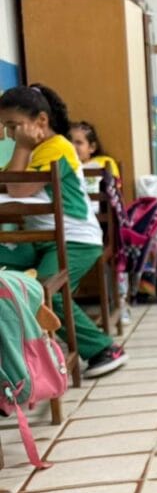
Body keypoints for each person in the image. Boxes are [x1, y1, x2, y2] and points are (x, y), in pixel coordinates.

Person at [0, 84, 128, 377]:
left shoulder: (56, 147)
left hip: (75, 240)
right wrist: (22, 149)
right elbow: (7, 179)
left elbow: (18, 187)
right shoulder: (34, 150)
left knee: (46, 292)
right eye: (6, 127)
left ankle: (103, 349)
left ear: (41, 122)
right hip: (43, 240)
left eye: (14, 126)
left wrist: (21, 146)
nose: (10, 134)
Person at [69, 121, 120, 194]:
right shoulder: (63, 165)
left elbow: (115, 189)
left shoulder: (103, 163)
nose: (72, 147)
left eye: (79, 142)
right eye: (69, 142)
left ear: (92, 147)